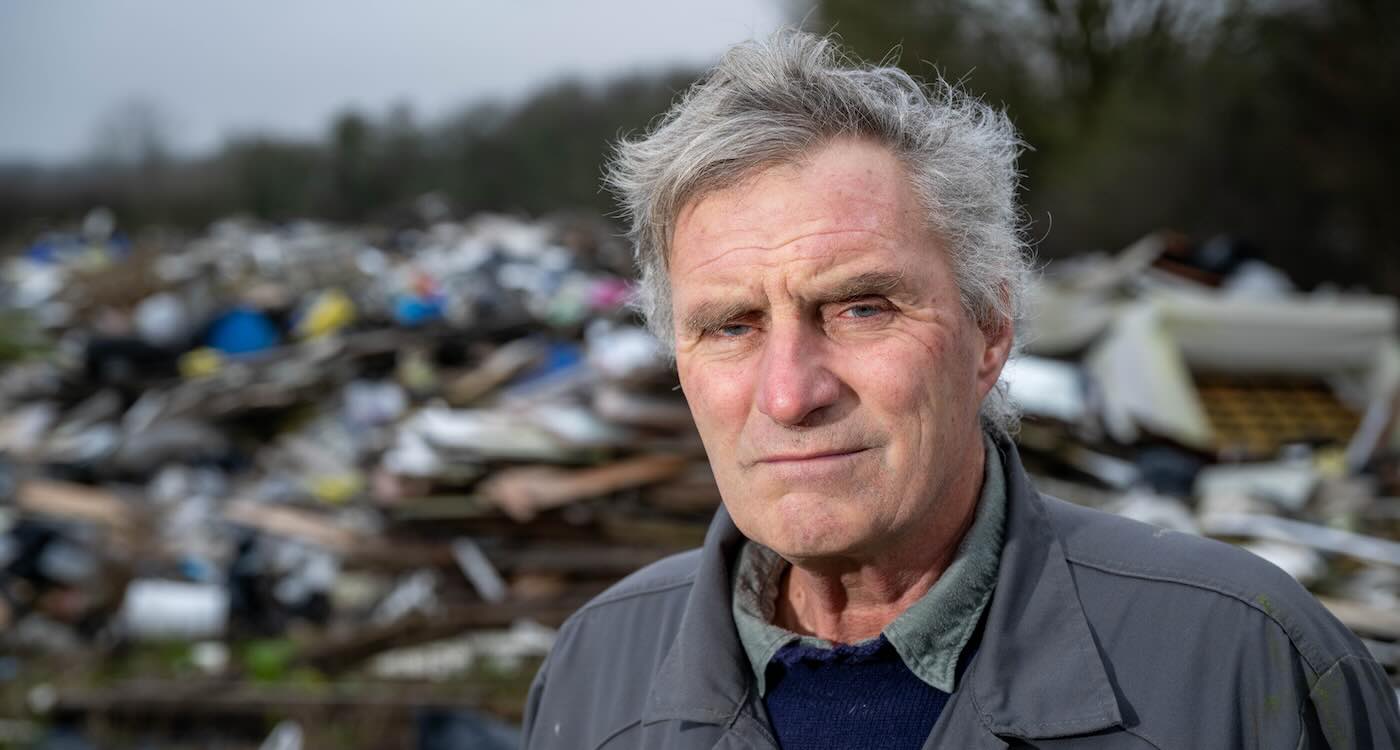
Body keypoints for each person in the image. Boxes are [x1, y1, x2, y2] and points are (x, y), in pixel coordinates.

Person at [521, 30, 1400, 749]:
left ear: (990, 330)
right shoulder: (597, 670)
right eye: (730, 326)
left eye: (861, 308)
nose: (789, 395)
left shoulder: (1246, 662)